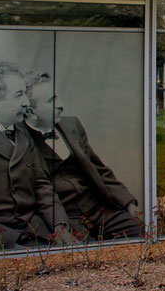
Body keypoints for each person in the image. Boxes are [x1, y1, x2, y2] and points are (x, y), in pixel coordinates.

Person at [0, 62, 72, 251]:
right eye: (19, 95)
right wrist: (15, 243)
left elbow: (42, 185)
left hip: (39, 228)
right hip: (2, 238)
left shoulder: (21, 131)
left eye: (25, 93)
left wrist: (60, 225)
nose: (26, 102)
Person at [24, 72, 142, 241]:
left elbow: (98, 169)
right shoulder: (21, 141)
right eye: (51, 101)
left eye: (57, 97)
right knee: (89, 255)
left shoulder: (71, 125)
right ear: (30, 111)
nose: (61, 105)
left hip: (99, 209)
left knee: (138, 234)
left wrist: (128, 204)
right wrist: (60, 226)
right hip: (66, 217)